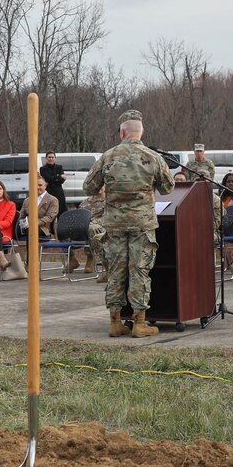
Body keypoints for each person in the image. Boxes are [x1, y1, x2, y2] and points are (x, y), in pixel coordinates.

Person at [83, 109, 173, 338]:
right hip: (142, 225)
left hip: (113, 224)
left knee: (115, 271)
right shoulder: (153, 157)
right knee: (139, 271)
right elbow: (168, 188)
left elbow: (89, 187)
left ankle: (114, 322)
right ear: (141, 132)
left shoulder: (108, 156)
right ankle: (139, 323)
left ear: (122, 132)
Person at [18, 176, 59, 241]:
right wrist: (21, 224)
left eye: (40, 185)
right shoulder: (27, 200)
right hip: (26, 227)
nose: (37, 187)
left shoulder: (53, 200)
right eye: (35, 185)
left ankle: (31, 251)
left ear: (45, 186)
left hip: (43, 229)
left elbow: (49, 217)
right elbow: (21, 216)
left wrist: (33, 224)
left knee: (30, 230)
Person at [81, 187, 107, 283]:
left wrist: (93, 222)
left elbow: (109, 216)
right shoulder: (85, 202)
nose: (99, 187)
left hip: (104, 226)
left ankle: (94, 258)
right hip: (89, 227)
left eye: (102, 185)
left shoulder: (109, 201)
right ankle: (73, 259)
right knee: (89, 228)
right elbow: (81, 216)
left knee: (92, 228)